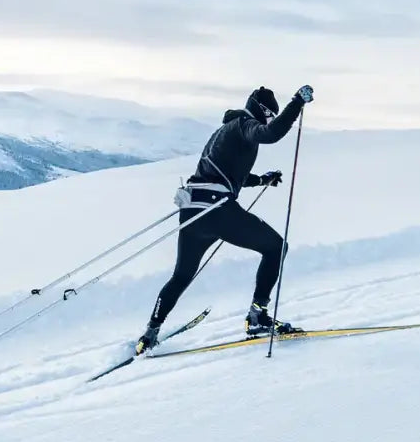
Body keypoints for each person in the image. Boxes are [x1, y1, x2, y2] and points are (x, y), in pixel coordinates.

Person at [135, 84, 314, 354]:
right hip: (217, 210)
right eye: (268, 115)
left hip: (193, 209)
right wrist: (296, 103)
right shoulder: (244, 124)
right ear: (261, 111)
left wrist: (262, 179)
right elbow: (271, 134)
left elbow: (227, 175)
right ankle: (257, 316)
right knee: (276, 247)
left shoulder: (225, 130)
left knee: (181, 275)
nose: (267, 120)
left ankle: (150, 333)